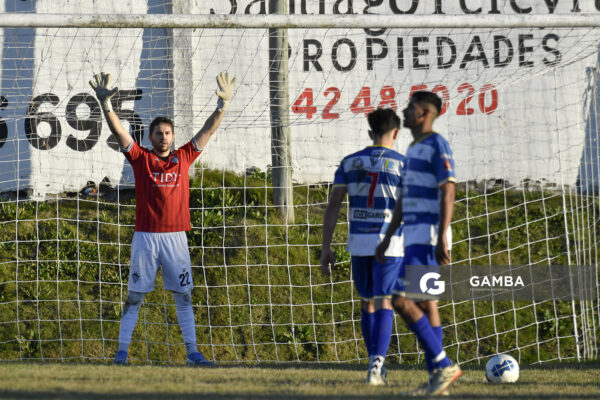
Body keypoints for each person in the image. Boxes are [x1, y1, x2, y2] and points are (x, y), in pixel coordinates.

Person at [89, 71, 237, 366]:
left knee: (183, 297)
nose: (164, 136)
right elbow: (120, 133)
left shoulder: (184, 157)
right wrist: (106, 105)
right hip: (145, 237)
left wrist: (222, 106)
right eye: (158, 133)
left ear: (172, 136)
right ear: (150, 137)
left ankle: (193, 353)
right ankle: (122, 353)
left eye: (168, 132)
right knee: (134, 297)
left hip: (176, 238)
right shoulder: (141, 158)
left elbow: (207, 131)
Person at [376, 91, 461, 396]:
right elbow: (402, 198)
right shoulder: (413, 148)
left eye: (410, 107)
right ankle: (438, 379)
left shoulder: (437, 145)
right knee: (426, 304)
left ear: (424, 113)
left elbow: (448, 190)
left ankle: (443, 363)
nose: (405, 111)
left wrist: (441, 236)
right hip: (412, 236)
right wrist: (387, 238)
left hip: (428, 236)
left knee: (400, 299)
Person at [320, 108, 404, 385]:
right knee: (384, 302)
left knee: (367, 303)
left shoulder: (349, 162)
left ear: (370, 133)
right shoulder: (404, 164)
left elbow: (333, 205)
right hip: (388, 244)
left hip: (358, 242)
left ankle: (373, 364)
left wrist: (326, 247)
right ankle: (377, 366)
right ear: (396, 133)